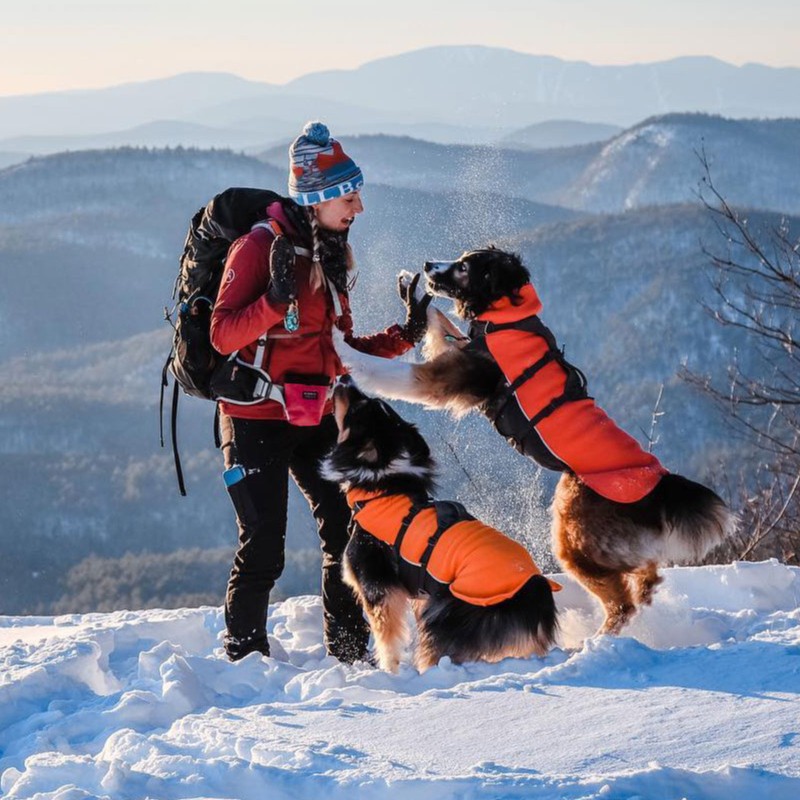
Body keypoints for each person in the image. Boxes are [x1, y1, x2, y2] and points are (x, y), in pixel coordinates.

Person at [209, 120, 431, 663]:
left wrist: (407, 334)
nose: (358, 208)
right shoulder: (260, 247)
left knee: (349, 531)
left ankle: (350, 655)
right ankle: (244, 660)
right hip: (254, 415)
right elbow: (221, 334)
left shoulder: (330, 254)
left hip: (313, 415)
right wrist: (272, 298)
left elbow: (340, 350)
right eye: (349, 197)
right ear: (317, 199)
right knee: (263, 544)